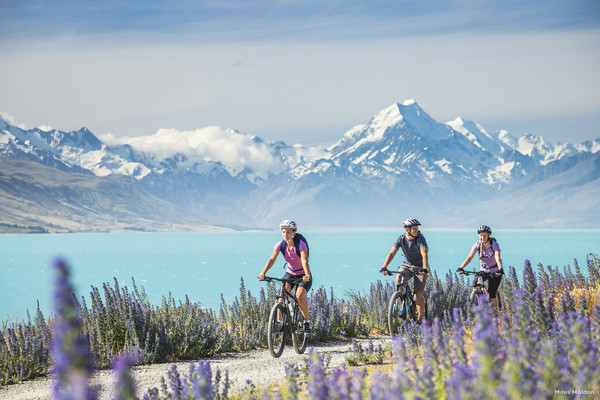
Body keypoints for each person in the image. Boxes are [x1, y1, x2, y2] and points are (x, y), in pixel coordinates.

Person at [258, 219, 312, 333]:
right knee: (281, 296)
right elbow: (272, 259)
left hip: (303, 274)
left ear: (293, 233)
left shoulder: (300, 244)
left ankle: (306, 323)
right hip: (290, 274)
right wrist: (263, 273)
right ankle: (279, 322)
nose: (285, 235)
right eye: (283, 232)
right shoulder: (280, 245)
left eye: (288, 232)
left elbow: (304, 260)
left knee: (299, 296)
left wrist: (307, 275)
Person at [380, 218, 429, 322]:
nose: (417, 230)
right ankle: (402, 300)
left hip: (420, 266)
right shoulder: (401, 239)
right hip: (407, 265)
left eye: (417, 228)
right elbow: (392, 253)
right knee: (399, 276)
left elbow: (424, 253)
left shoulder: (420, 238)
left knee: (418, 292)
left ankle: (420, 320)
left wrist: (424, 269)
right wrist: (384, 266)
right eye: (414, 229)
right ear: (407, 229)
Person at [457, 225, 504, 313]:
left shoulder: (494, 244)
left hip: (495, 271)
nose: (482, 237)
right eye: (481, 235)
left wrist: (500, 269)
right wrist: (461, 267)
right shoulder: (478, 245)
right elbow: (470, 257)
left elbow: (497, 257)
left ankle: (496, 316)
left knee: (492, 293)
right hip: (484, 271)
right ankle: (481, 304)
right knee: (475, 283)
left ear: (488, 235)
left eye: (484, 235)